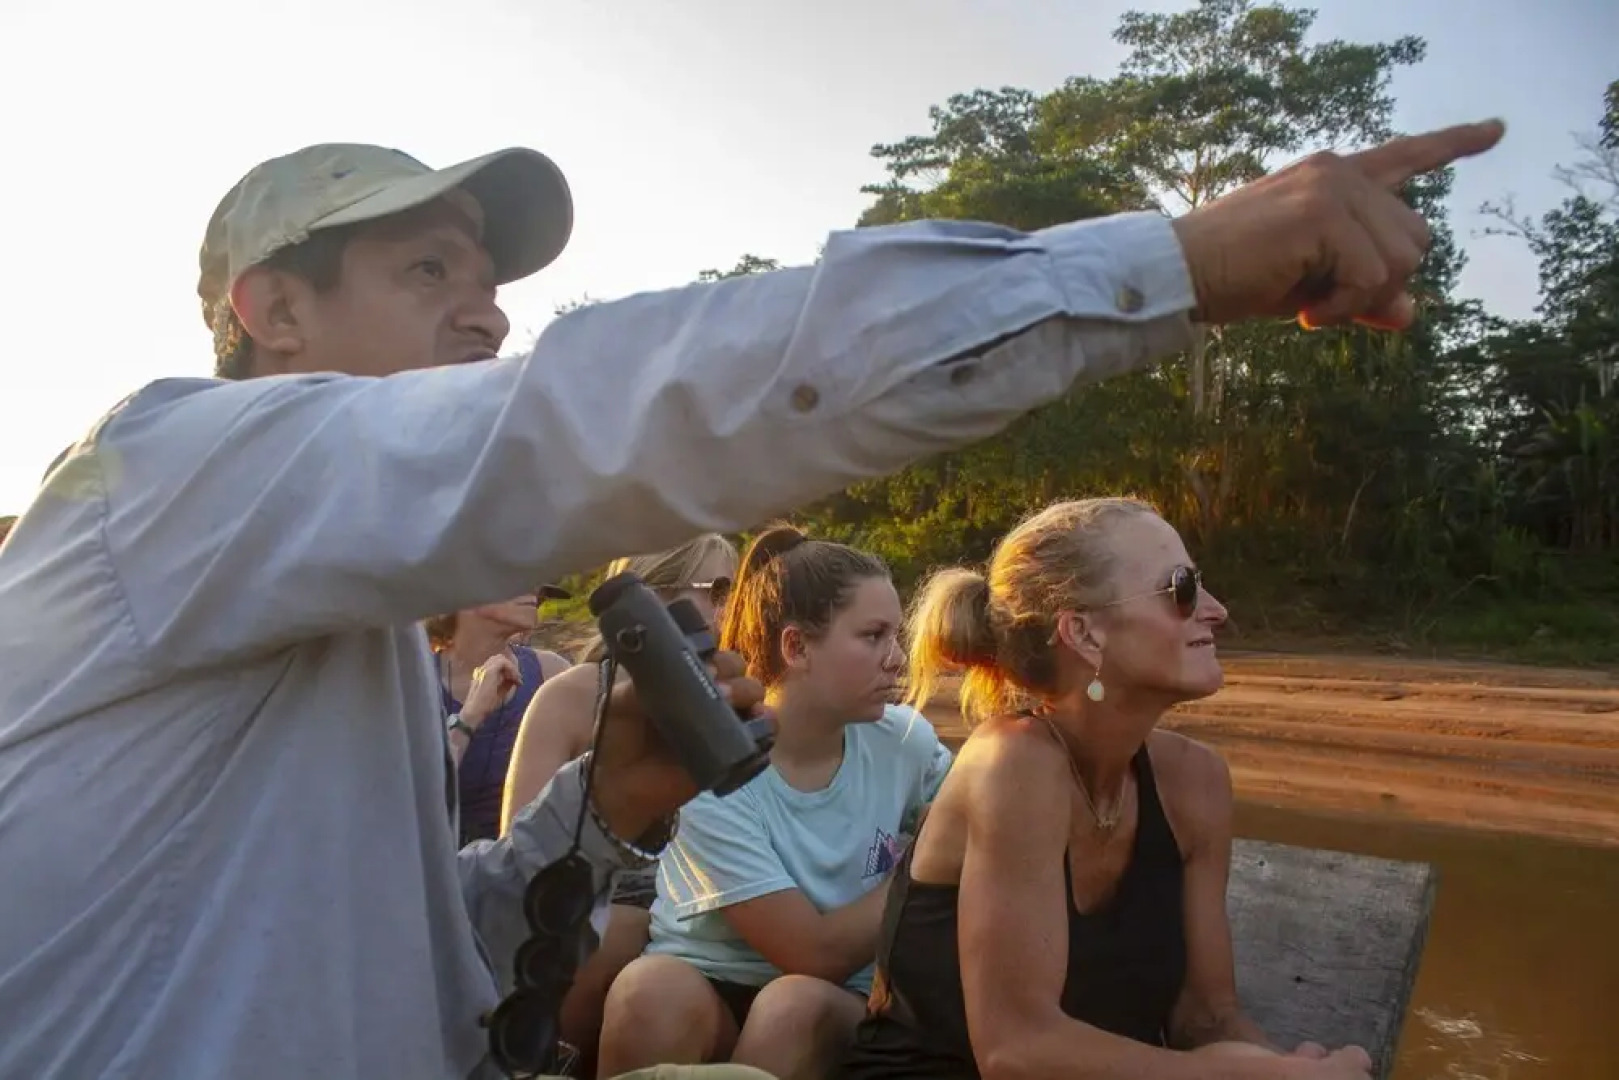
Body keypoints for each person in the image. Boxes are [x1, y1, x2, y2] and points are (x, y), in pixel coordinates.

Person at [0, 118, 1504, 1080]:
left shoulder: (334, 612)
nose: (489, 310)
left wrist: (598, 813)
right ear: (272, 310)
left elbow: (399, 947)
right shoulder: (170, 466)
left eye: (485, 275)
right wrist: (1165, 263)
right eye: (426, 265)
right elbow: (634, 409)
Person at [835, 498, 1372, 1080]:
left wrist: (1291, 1068)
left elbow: (1206, 1019)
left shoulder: (1196, 784)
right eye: (1181, 589)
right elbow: (1016, 1050)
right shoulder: (1013, 764)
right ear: (1083, 632)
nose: (1216, 611)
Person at [599, 526, 953, 1080]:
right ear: (796, 647)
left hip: (832, 1002)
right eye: (873, 636)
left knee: (791, 1009)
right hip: (711, 987)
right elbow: (808, 950)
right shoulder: (712, 767)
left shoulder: (904, 741)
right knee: (646, 992)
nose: (897, 658)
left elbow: (976, 821)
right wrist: (924, 858)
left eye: (896, 635)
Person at [500, 534, 740, 1073]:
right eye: (718, 588)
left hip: (715, 903)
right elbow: (516, 852)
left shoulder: (728, 695)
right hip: (611, 903)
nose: (729, 605)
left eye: (735, 589)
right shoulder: (573, 695)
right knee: (622, 932)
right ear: (654, 594)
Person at [428, 587, 572, 843]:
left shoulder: (552, 674)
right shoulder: (413, 684)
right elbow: (407, 802)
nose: (534, 586)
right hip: (438, 870)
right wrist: (470, 716)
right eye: (514, 576)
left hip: (526, 868)